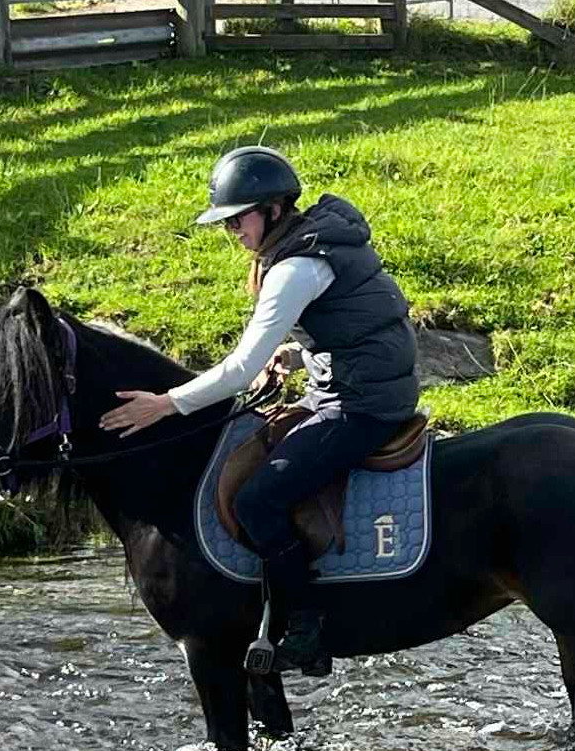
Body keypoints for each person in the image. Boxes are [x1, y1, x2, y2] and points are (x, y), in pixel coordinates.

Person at [99, 146, 419, 674]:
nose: (233, 234)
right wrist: (298, 355)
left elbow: (240, 369)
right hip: (352, 386)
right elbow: (352, 325)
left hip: (363, 404)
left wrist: (166, 404)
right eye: (226, 225)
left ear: (272, 210)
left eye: (237, 221)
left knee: (259, 499)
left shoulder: (296, 267)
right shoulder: (315, 241)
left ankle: (306, 625)